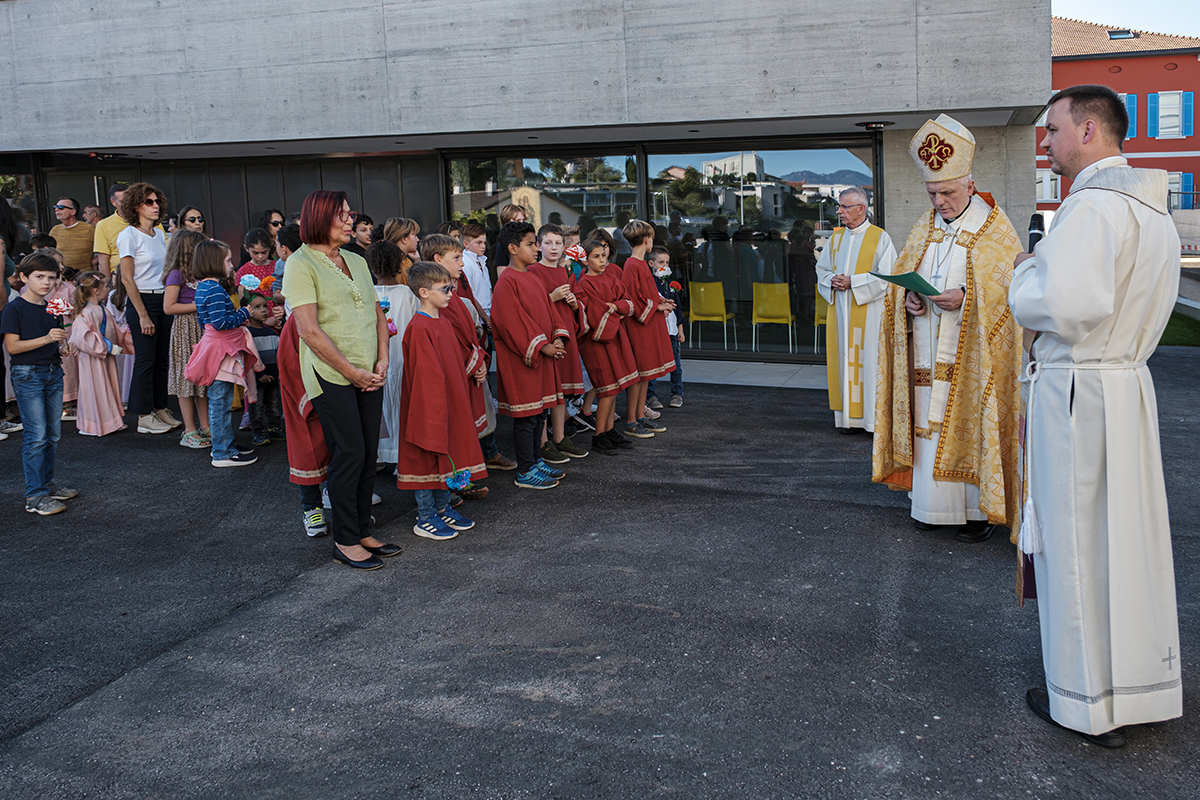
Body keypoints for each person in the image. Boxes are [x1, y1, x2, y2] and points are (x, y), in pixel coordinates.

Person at [1008, 85, 1183, 748]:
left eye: (1052, 130)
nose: (1046, 144)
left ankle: (1083, 701)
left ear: (1087, 129)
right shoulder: (1153, 214)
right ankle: (1139, 685)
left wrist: (1023, 274)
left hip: (1079, 393)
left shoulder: (1089, 211)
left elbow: (1061, 302)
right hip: (1125, 386)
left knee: (1076, 546)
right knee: (1125, 542)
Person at [872, 114, 1022, 545]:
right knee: (927, 425)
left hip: (971, 358)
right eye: (932, 192)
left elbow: (1010, 290)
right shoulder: (925, 226)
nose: (939, 201)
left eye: (947, 192)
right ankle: (931, 506)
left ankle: (977, 514)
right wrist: (908, 299)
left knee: (970, 423)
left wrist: (965, 296)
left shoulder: (994, 228)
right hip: (924, 347)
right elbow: (903, 275)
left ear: (970, 185)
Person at [283, 190, 397, 570]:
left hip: (369, 368)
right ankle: (345, 540)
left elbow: (379, 315)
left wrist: (382, 359)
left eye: (350, 215)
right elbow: (309, 332)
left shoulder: (355, 259)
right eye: (343, 215)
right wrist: (352, 372)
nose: (351, 220)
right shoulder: (301, 263)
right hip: (332, 374)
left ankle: (362, 530)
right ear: (319, 218)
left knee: (367, 452)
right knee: (349, 453)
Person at [397, 260, 487, 539]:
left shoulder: (443, 324)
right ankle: (425, 516)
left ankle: (443, 507)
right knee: (427, 459)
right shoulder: (419, 327)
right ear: (424, 292)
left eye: (451, 287)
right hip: (429, 410)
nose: (451, 292)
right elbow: (425, 379)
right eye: (445, 288)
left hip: (449, 404)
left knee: (447, 461)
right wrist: (435, 414)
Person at [1, 253, 78, 515]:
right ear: (23, 277)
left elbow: (55, 342)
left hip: (52, 372)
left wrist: (63, 348)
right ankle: (34, 496)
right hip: (27, 375)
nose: (46, 282)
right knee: (36, 436)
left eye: (51, 277)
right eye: (39, 277)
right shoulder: (14, 308)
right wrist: (47, 339)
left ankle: (45, 484)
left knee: (53, 435)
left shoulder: (52, 307)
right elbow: (13, 347)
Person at [490, 221, 565, 489]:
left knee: (540, 413)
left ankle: (535, 461)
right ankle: (525, 471)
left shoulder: (534, 276)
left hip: (542, 359)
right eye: (531, 244)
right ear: (512, 248)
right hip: (523, 361)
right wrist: (543, 345)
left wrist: (557, 337)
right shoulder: (506, 282)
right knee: (526, 418)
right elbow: (511, 323)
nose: (536, 248)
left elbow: (549, 312)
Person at [814, 187, 896, 433]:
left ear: (861, 208)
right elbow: (821, 270)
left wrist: (854, 282)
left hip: (868, 314)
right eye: (839, 206)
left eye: (844, 207)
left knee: (867, 362)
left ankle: (870, 421)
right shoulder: (836, 239)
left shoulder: (880, 238)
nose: (839, 211)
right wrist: (832, 281)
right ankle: (846, 420)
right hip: (840, 311)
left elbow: (888, 277)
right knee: (843, 361)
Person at [183, 239, 260, 468]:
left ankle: (226, 445)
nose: (231, 264)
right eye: (227, 260)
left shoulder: (203, 288)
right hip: (221, 350)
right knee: (221, 402)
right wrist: (244, 312)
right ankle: (222, 452)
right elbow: (220, 322)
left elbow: (205, 320)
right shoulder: (214, 289)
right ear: (214, 262)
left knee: (221, 400)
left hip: (214, 346)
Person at [117, 182, 182, 436]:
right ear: (136, 206)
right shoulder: (128, 235)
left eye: (157, 201)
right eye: (149, 202)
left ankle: (159, 407)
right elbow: (126, 279)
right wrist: (142, 314)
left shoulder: (160, 234)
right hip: (141, 300)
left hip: (162, 299)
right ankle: (144, 416)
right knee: (145, 359)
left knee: (161, 358)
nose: (155, 206)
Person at [569, 238, 639, 455]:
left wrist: (614, 307)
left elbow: (629, 303)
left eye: (604, 256)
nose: (602, 260)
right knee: (606, 388)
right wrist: (613, 309)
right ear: (586, 260)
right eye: (596, 256)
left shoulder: (611, 278)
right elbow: (594, 312)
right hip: (597, 341)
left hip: (615, 337)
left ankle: (608, 431)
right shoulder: (584, 283)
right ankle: (598, 436)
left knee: (615, 387)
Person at [530, 223, 588, 462]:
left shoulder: (566, 272)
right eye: (548, 243)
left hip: (566, 335)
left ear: (565, 246)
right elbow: (530, 305)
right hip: (547, 336)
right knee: (548, 390)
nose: (553, 247)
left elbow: (579, 303)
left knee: (562, 389)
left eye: (557, 243)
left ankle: (560, 437)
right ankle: (543, 442)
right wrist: (550, 298)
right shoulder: (533, 272)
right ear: (539, 245)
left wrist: (574, 303)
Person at [620, 218, 675, 438]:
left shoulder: (640, 263)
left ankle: (640, 417)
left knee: (645, 375)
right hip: (640, 327)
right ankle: (632, 421)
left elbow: (646, 295)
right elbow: (632, 298)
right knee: (639, 376)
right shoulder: (632, 264)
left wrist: (662, 301)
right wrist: (658, 305)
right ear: (647, 239)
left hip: (649, 323)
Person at [67, 270, 132, 436]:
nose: (107, 289)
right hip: (92, 359)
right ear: (96, 290)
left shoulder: (101, 309)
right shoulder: (85, 313)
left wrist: (128, 333)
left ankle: (110, 421)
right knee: (95, 387)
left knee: (105, 386)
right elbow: (82, 337)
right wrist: (106, 346)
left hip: (102, 357)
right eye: (105, 286)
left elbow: (114, 330)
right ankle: (94, 425)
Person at [163, 229, 211, 449]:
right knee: (186, 381)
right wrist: (198, 306)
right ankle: (189, 430)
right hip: (185, 329)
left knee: (203, 380)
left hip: (202, 328)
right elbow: (169, 307)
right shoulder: (176, 274)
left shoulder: (202, 273)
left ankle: (206, 426)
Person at [644, 245, 685, 409]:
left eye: (667, 262)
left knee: (676, 363)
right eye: (661, 262)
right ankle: (651, 396)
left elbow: (678, 307)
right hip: (656, 329)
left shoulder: (670, 283)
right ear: (651, 263)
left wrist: (681, 329)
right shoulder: (649, 283)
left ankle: (677, 393)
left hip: (672, 329)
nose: (665, 266)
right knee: (654, 364)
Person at [243, 292, 283, 447]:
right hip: (257, 378)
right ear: (248, 310)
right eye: (257, 307)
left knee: (273, 403)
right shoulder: (248, 333)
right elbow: (251, 357)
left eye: (265, 306)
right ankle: (258, 432)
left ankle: (274, 427)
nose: (264, 310)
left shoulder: (272, 332)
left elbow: (278, 353)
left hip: (272, 376)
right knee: (257, 404)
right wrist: (261, 374)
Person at [48, 197, 94, 278]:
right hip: (61, 277)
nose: (56, 210)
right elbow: (49, 253)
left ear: (73, 211)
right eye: (55, 207)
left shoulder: (89, 229)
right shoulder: (55, 230)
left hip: (84, 277)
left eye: (61, 207)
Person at [92, 183, 128, 279]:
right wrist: (108, 285)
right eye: (122, 201)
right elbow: (103, 260)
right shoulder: (104, 225)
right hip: (119, 278)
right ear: (113, 202)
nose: (127, 204)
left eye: (130, 200)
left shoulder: (148, 220)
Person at [460, 222, 493, 317]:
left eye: (484, 243)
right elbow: (470, 296)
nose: (483, 246)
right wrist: (485, 318)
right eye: (479, 242)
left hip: (489, 313)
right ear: (466, 244)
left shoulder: (482, 262)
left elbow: (489, 291)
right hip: (477, 316)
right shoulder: (465, 264)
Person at [381, 217, 420, 283]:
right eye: (414, 235)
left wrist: (417, 260)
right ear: (404, 239)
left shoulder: (405, 261)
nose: (417, 239)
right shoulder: (396, 267)